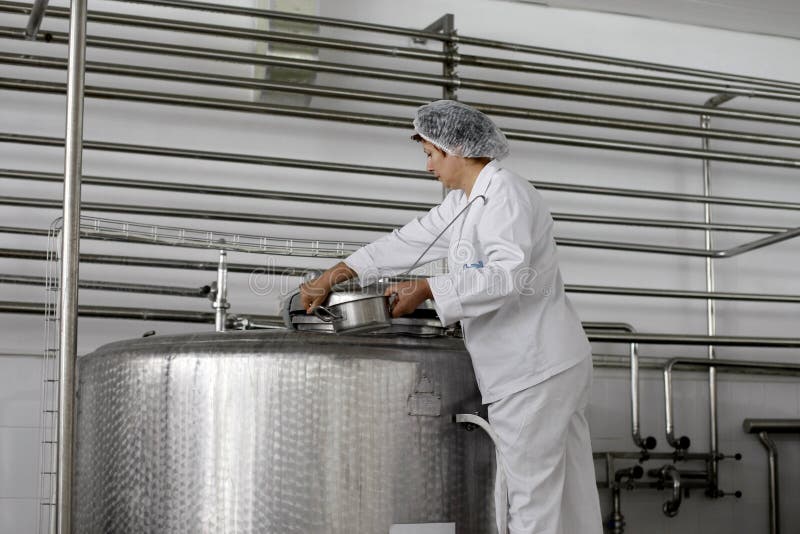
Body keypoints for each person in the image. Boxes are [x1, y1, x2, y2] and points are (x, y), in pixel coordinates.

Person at [300, 100, 602, 534]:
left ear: (457, 147)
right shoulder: (467, 203)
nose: (427, 167)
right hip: (544, 365)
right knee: (568, 501)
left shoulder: (505, 195)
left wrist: (426, 288)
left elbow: (506, 275)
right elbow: (410, 240)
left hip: (532, 370)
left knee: (529, 501)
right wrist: (340, 271)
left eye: (430, 154)